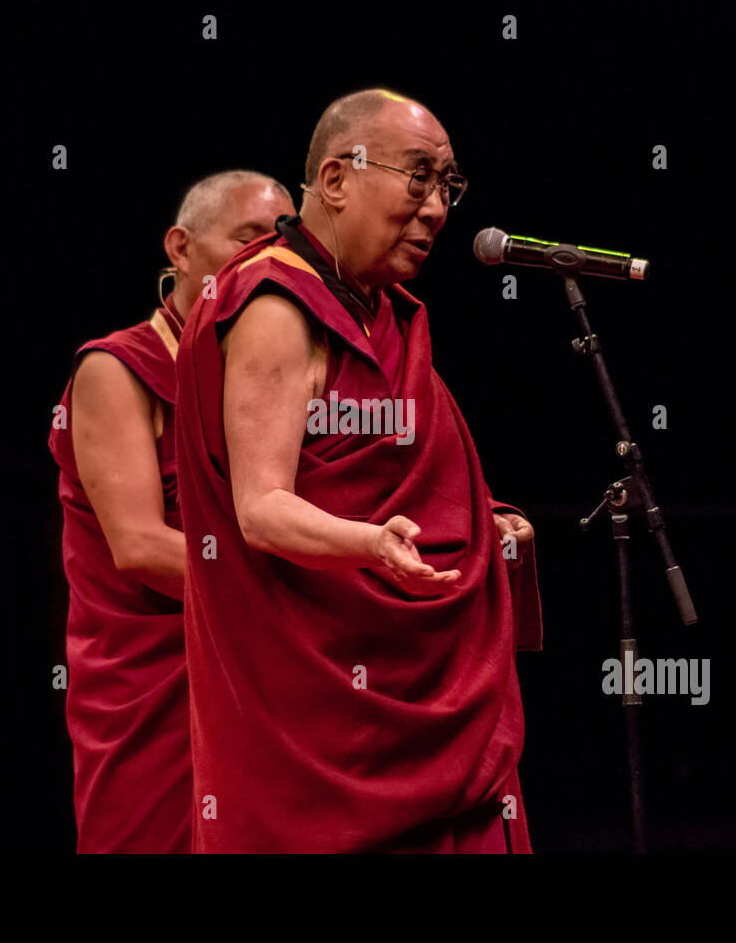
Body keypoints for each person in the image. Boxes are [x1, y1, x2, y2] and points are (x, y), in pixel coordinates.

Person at [174, 90, 543, 853]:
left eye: (448, 186)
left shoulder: (385, 311)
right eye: (418, 178)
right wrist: (371, 544)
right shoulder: (275, 304)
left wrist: (481, 517)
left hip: (421, 681)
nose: (438, 208)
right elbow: (262, 507)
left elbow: (414, 469)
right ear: (337, 178)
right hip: (322, 715)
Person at [48, 170, 295, 852]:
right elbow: (137, 545)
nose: (267, 263)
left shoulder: (277, 364)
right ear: (180, 248)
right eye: (247, 241)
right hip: (153, 681)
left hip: (263, 673)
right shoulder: (116, 369)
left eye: (282, 245)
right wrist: (307, 600)